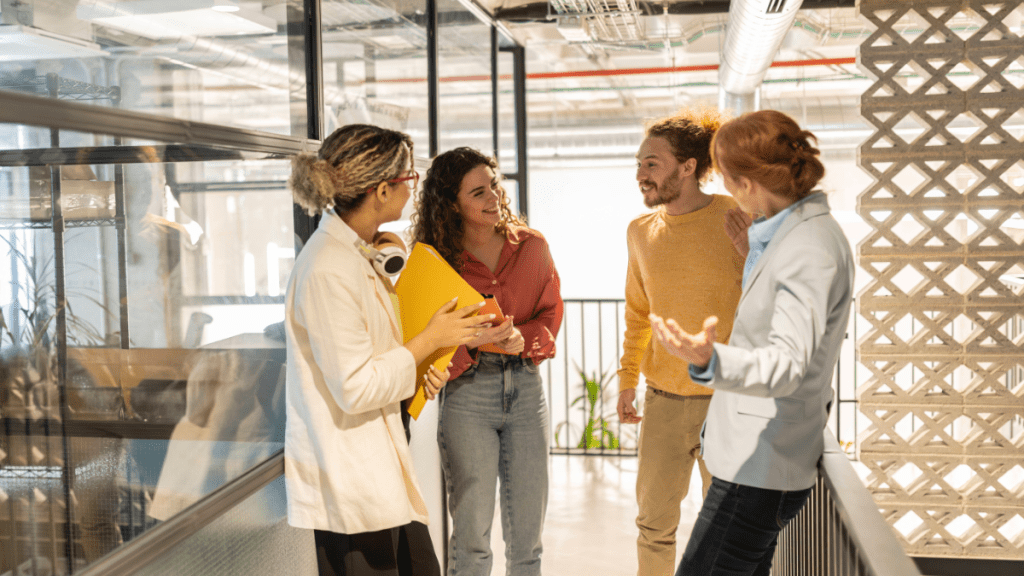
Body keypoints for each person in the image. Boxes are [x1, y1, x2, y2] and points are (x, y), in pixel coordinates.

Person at [649, 110, 854, 576]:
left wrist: (709, 359)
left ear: (745, 183)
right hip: (755, 458)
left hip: (760, 464)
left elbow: (788, 364)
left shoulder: (809, 247)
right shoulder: (795, 236)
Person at [284, 125, 493, 576]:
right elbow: (356, 388)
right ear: (382, 190)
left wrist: (419, 370)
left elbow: (374, 356)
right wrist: (429, 340)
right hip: (352, 478)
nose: (411, 187)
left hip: (377, 467)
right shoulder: (327, 269)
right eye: (408, 178)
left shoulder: (357, 254)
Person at [410, 147, 563, 576]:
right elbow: (422, 335)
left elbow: (551, 314)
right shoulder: (436, 260)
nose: (493, 197)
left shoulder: (533, 247)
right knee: (472, 537)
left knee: (527, 538)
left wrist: (521, 340)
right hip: (468, 394)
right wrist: (473, 343)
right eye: (478, 192)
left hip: (527, 389)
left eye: (493, 185)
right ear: (450, 202)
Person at [617, 108, 746, 576]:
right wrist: (627, 379)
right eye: (639, 164)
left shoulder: (736, 217)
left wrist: (754, 255)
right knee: (653, 526)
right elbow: (637, 314)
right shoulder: (640, 232)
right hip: (665, 401)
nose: (640, 174)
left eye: (652, 163)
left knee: (731, 529)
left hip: (728, 402)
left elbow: (767, 298)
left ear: (688, 166)